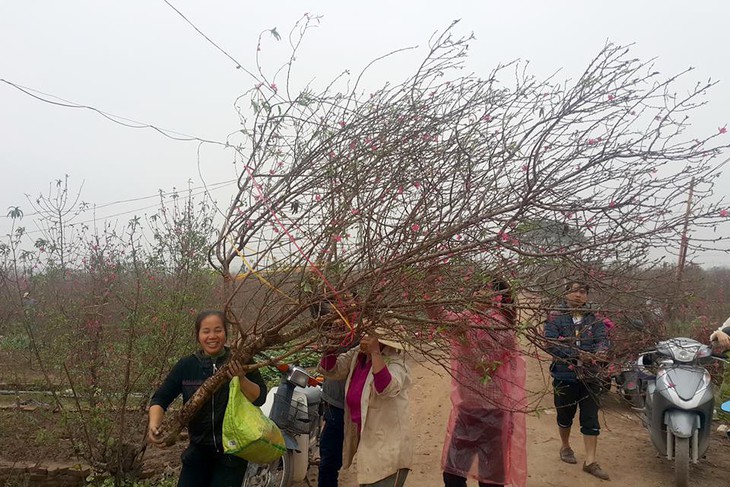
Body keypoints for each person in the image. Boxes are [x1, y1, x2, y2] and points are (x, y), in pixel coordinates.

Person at [426, 275, 527, 487]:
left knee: (489, 480)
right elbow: (439, 316)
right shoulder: (469, 319)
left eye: (487, 290)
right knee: (452, 475)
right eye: (478, 289)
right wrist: (429, 285)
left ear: (499, 297)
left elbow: (484, 367)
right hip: (468, 410)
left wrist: (463, 339)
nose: (479, 294)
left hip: (492, 413)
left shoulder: (502, 329)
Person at [148, 310, 268, 487]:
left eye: (218, 330)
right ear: (198, 335)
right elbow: (160, 398)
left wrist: (241, 378)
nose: (212, 336)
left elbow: (260, 398)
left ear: (226, 333)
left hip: (232, 451)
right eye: (206, 331)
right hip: (198, 450)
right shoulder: (187, 365)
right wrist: (154, 423)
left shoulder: (240, 359)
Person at [318, 324, 412, 487]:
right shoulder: (358, 355)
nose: (365, 337)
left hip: (389, 447)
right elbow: (331, 369)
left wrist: (375, 352)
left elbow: (386, 388)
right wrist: (332, 345)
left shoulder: (396, 361)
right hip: (368, 445)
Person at [544, 280, 610, 481]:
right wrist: (577, 355)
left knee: (590, 417)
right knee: (565, 415)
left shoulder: (594, 319)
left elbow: (603, 339)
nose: (578, 295)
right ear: (566, 294)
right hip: (565, 375)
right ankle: (565, 446)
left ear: (587, 296)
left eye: (582, 292)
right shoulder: (555, 318)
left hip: (590, 376)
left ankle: (590, 461)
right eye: (574, 291)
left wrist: (600, 352)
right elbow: (551, 344)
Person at [311, 299, 359, 487]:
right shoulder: (330, 325)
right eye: (339, 302)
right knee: (329, 462)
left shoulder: (363, 332)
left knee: (368, 461)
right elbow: (314, 307)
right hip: (334, 406)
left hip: (360, 409)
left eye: (348, 301)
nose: (343, 307)